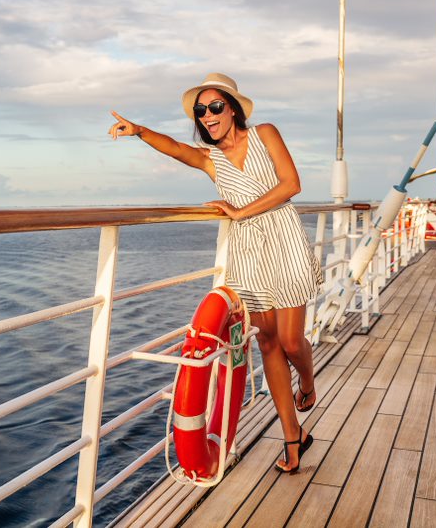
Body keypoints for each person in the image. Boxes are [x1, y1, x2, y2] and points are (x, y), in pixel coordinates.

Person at [107, 72, 323, 473]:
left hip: (285, 239)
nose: (207, 115)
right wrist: (138, 130)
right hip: (249, 251)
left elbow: (292, 184)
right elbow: (173, 148)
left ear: (234, 108)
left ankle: (307, 383)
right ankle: (294, 438)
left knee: (292, 342)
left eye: (215, 106)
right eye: (200, 110)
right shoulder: (211, 159)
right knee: (269, 344)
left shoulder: (265, 133)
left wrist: (240, 210)